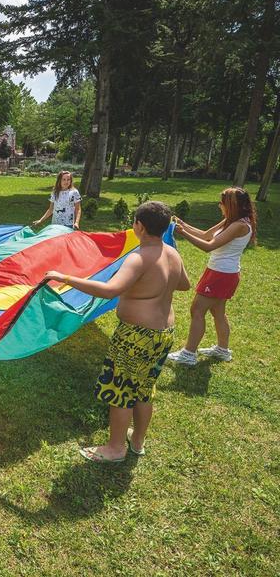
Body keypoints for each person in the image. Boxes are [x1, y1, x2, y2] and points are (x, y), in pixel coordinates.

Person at [45, 201, 191, 462]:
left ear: (139, 226)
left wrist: (64, 277)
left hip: (137, 336)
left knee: (121, 390)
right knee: (145, 389)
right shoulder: (172, 253)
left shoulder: (139, 257)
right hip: (164, 334)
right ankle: (137, 442)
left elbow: (110, 290)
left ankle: (114, 449)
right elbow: (184, 284)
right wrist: (155, 286)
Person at [167, 187, 257, 366]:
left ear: (231, 205)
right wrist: (183, 225)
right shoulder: (232, 221)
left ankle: (189, 353)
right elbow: (206, 235)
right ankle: (222, 350)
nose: (219, 205)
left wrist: (182, 233)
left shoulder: (239, 225)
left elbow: (209, 245)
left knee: (197, 310)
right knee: (218, 312)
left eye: (222, 203)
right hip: (222, 272)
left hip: (221, 274)